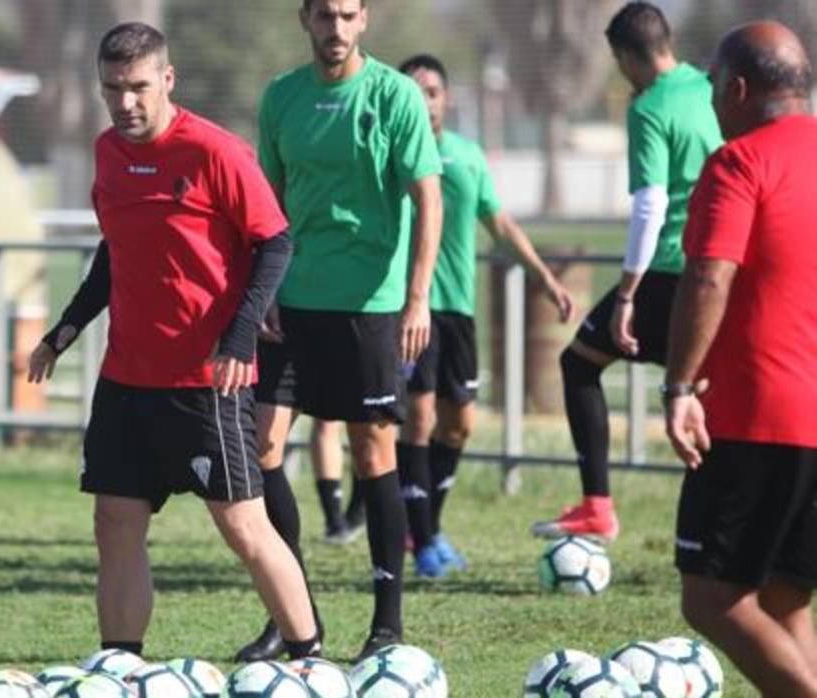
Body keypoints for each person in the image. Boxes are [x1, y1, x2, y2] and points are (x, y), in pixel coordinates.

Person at [26, 22, 320, 661]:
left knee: (244, 525)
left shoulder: (216, 152)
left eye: (137, 87)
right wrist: (64, 332)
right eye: (111, 89)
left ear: (166, 80)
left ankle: (310, 659)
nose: (125, 102)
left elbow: (276, 242)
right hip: (127, 380)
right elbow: (116, 254)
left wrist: (239, 339)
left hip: (206, 383)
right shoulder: (107, 153)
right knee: (115, 523)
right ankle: (120, 664)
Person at [241, 0, 443, 662]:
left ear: (365, 20)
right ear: (305, 19)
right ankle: (292, 617)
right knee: (263, 445)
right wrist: (260, 292)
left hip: (370, 306)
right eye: (324, 14)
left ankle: (387, 622)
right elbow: (266, 205)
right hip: (292, 303)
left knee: (372, 453)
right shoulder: (282, 98)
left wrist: (416, 301)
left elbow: (428, 198)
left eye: (348, 14)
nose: (336, 28)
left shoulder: (394, 96)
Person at [532, 1, 722, 543]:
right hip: (719, 267)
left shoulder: (648, 108)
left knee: (579, 364)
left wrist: (626, 296)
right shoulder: (710, 87)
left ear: (625, 57)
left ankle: (598, 506)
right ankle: (726, 521)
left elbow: (650, 206)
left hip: (666, 271)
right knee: (705, 387)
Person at [665, 21, 817, 696]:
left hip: (759, 414)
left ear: (737, 88)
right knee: (786, 598)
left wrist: (678, 388)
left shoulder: (739, 162)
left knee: (711, 599)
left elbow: (707, 278)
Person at [399, 54, 574, 577]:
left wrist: (544, 276)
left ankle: (427, 523)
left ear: (445, 98)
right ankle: (424, 539)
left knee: (460, 425)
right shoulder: (390, 154)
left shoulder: (468, 156)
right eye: (414, 91)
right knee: (421, 416)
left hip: (459, 310)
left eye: (431, 90)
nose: (424, 100)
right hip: (412, 309)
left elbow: (499, 223)